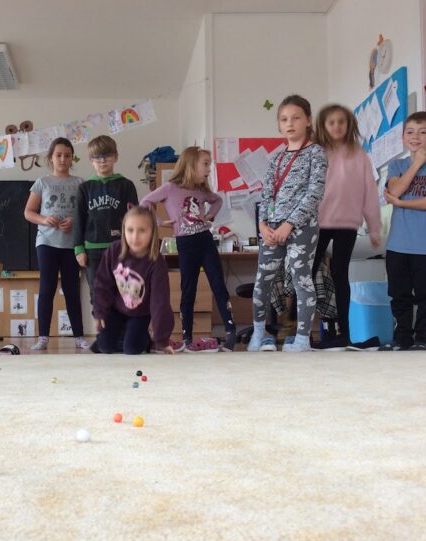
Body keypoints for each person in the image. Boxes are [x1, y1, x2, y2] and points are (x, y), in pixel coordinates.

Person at [247, 94, 328, 353]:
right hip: (271, 229)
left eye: (295, 118)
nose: (290, 123)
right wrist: (263, 226)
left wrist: (289, 224)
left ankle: (303, 339)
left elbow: (314, 193)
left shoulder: (316, 153)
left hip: (302, 228)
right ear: (279, 125)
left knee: (301, 279)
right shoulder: (277, 158)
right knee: (262, 281)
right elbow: (266, 195)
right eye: (284, 119)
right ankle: (258, 334)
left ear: (308, 120)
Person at [140, 146, 236, 351]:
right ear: (191, 164)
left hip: (205, 240)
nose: (209, 169)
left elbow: (217, 201)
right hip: (186, 244)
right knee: (188, 289)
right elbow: (145, 202)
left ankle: (230, 331)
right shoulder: (170, 187)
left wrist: (209, 216)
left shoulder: (201, 190)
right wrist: (159, 222)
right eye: (205, 164)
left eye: (209, 164)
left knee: (218, 284)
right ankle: (187, 336)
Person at [312, 104, 382, 349]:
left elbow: (370, 193)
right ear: (323, 126)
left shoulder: (360, 156)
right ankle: (301, 329)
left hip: (347, 223)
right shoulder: (316, 153)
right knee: (306, 274)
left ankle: (345, 333)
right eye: (331, 122)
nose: (337, 126)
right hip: (318, 223)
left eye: (341, 121)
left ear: (349, 124)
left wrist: (374, 227)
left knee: (340, 275)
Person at [380, 111, 426, 351]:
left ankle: (422, 338)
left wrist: (400, 203)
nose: (415, 137)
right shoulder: (396, 165)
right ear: (403, 138)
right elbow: (395, 191)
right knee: (399, 294)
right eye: (410, 132)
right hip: (397, 244)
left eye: (422, 132)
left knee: (424, 294)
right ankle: (402, 339)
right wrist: (417, 163)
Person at [24, 137, 92, 351]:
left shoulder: (80, 183)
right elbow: (28, 212)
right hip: (46, 242)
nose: (63, 159)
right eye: (59, 155)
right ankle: (43, 337)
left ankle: (79, 336)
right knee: (47, 288)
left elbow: (87, 213)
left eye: (67, 155)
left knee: (72, 290)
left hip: (72, 245)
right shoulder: (42, 182)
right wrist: (45, 219)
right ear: (51, 158)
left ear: (72, 158)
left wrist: (75, 221)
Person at [92, 206, 175, 355]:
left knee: (132, 350)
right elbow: (102, 285)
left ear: (152, 232)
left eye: (142, 231)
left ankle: (143, 339)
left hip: (140, 314)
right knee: (104, 347)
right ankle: (121, 336)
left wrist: (161, 340)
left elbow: (160, 302)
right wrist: (99, 313)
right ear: (123, 230)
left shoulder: (157, 262)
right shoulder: (114, 251)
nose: (135, 236)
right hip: (117, 310)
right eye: (130, 230)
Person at [73, 135, 138, 305]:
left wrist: (135, 245)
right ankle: (102, 324)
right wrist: (79, 249)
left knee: (125, 294)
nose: (102, 161)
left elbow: (134, 218)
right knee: (98, 295)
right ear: (91, 160)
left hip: (121, 248)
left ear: (115, 157)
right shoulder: (85, 188)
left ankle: (122, 324)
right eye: (97, 157)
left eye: (107, 156)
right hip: (92, 251)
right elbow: (78, 219)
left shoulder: (126, 185)